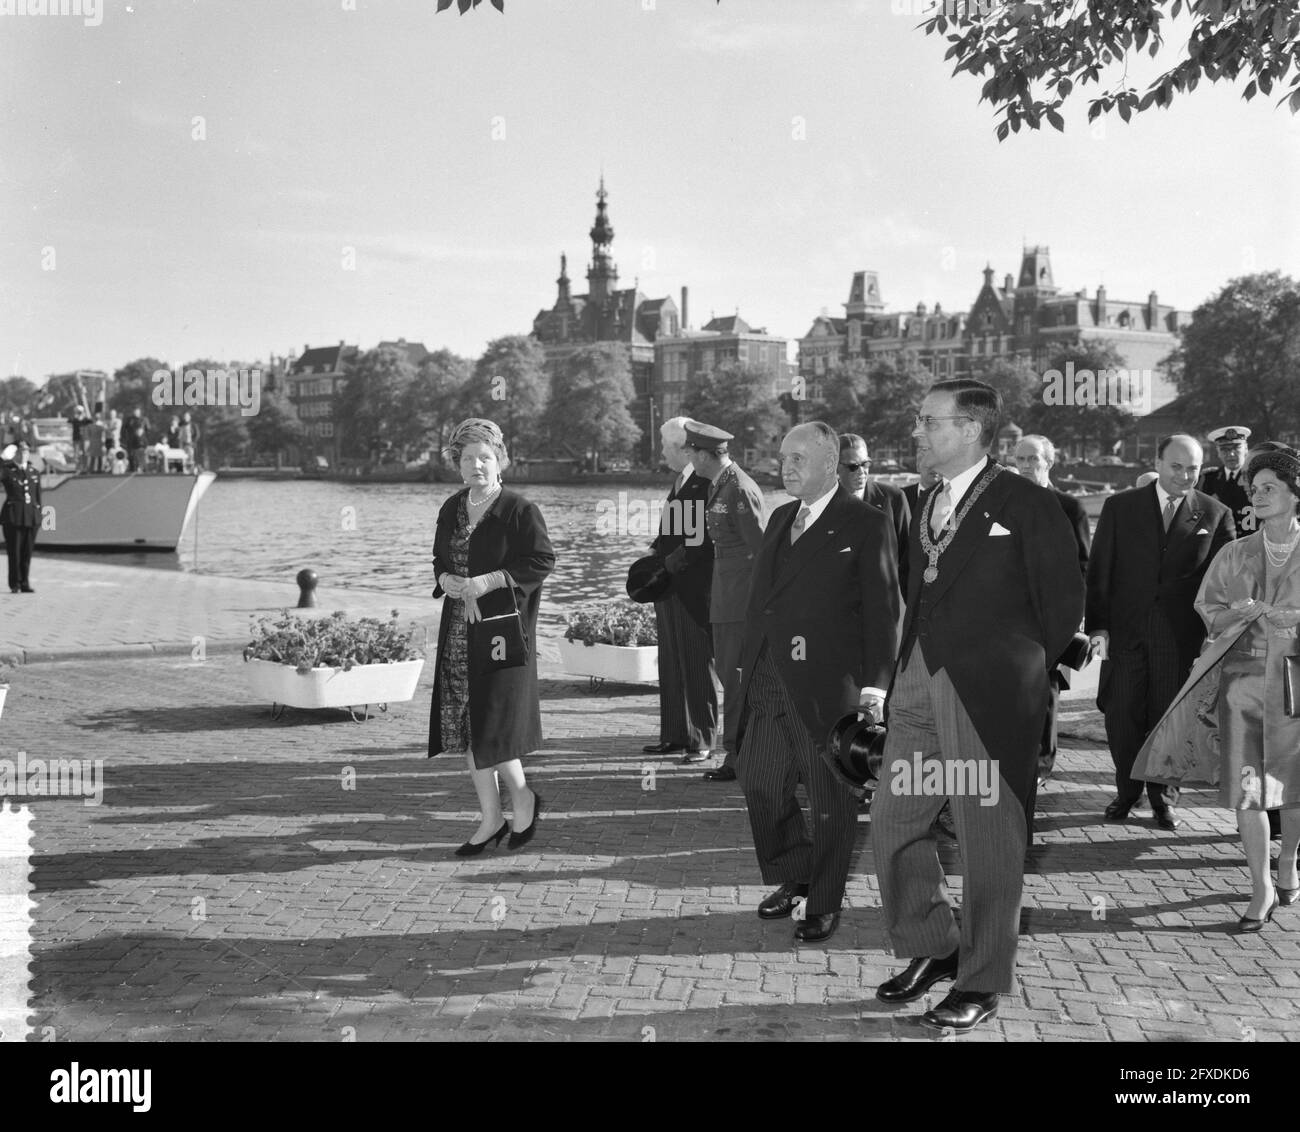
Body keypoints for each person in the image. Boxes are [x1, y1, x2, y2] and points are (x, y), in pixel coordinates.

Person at [872, 380, 1084, 1033]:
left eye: (930, 421)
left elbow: (1062, 608)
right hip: (916, 684)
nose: (919, 430)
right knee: (892, 822)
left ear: (969, 429)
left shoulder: (1031, 503)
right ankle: (937, 945)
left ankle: (982, 979)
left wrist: (1019, 676)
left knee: (988, 839)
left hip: (987, 695)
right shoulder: (918, 500)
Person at [734, 421, 900, 946]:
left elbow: (884, 612)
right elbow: (762, 600)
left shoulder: (866, 523)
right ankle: (795, 870)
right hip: (766, 676)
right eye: (783, 457)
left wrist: (876, 686)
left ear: (830, 463)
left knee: (830, 797)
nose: (785, 467)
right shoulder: (781, 516)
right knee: (759, 780)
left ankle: (823, 901)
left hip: (830, 686)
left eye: (798, 458)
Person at [1133, 448, 1300, 931]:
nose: (1258, 495)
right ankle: (1261, 885)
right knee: (1248, 790)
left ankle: (1287, 859)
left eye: (1269, 487)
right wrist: (1238, 612)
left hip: (1295, 685)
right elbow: (1209, 609)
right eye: (1255, 488)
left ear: (1294, 494)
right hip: (1241, 685)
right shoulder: (1235, 552)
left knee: (1292, 790)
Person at [1086, 434, 1236, 830]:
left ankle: (1163, 798)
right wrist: (1098, 628)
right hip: (1124, 632)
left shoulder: (1215, 513)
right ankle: (1127, 791)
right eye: (1176, 466)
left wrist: (1214, 637)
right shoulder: (1120, 506)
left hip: (1180, 637)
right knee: (1121, 715)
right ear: (1157, 461)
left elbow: (1226, 583)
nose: (1185, 476)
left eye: (1194, 468)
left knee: (1168, 720)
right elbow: (1099, 572)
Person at [428, 418, 555, 856]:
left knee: (494, 724)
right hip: (459, 632)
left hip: (501, 632)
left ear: (500, 460)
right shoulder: (452, 508)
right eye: (466, 458)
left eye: (484, 457)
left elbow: (541, 561)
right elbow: (438, 557)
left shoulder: (519, 510)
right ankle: (490, 816)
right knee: (466, 728)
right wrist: (445, 578)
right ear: (457, 464)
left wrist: (492, 580)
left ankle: (521, 796)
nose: (476, 465)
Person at [683, 421, 768, 784]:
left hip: (740, 603)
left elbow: (761, 553)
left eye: (692, 452)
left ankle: (737, 756)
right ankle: (741, 752)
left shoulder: (739, 488)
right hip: (726, 597)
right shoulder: (721, 485)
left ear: (704, 454)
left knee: (736, 680)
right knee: (730, 676)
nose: (689, 458)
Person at [1014, 435, 1091, 801]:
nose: (1025, 466)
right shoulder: (1003, 504)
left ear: (1049, 462)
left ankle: (1041, 767)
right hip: (1007, 619)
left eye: (1032, 459)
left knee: (1046, 693)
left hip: (1050, 620)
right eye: (1020, 460)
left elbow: (1083, 567)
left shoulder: (1069, 507)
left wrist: (1072, 617)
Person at [641, 417, 719, 763]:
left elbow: (702, 538)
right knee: (670, 662)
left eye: (664, 445)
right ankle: (674, 734)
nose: (661, 451)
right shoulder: (681, 479)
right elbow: (675, 530)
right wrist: (656, 549)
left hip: (691, 586)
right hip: (668, 585)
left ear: (681, 448)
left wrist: (668, 562)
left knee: (695, 663)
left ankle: (702, 738)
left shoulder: (703, 483)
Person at [839, 433, 911, 597]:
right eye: (852, 467)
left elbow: (908, 554)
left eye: (865, 464)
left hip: (884, 599)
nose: (861, 472)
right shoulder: (824, 503)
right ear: (836, 467)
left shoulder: (893, 498)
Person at [1, 441, 42, 594]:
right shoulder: (7, 471)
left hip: (31, 517)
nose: (23, 454)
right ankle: (15, 583)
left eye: (25, 451)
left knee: (27, 552)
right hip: (13, 517)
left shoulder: (33, 471)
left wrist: (38, 516)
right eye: (20, 451)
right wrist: (3, 458)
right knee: (15, 552)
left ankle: (25, 582)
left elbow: (38, 498)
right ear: (15, 454)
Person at [1199, 426, 1253, 535]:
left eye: (1236, 447)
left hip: (1251, 543)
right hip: (1221, 545)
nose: (1231, 454)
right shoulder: (1208, 479)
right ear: (1217, 452)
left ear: (1246, 449)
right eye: (1224, 449)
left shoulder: (1255, 477)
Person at [67, 404, 89, 472]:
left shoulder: (85, 420)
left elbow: (90, 421)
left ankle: (85, 467)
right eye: (77, 412)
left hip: (84, 439)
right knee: (76, 454)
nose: (79, 413)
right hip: (76, 439)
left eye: (80, 412)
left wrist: (83, 415)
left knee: (85, 453)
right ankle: (78, 468)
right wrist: (75, 416)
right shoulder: (74, 419)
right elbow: (68, 421)